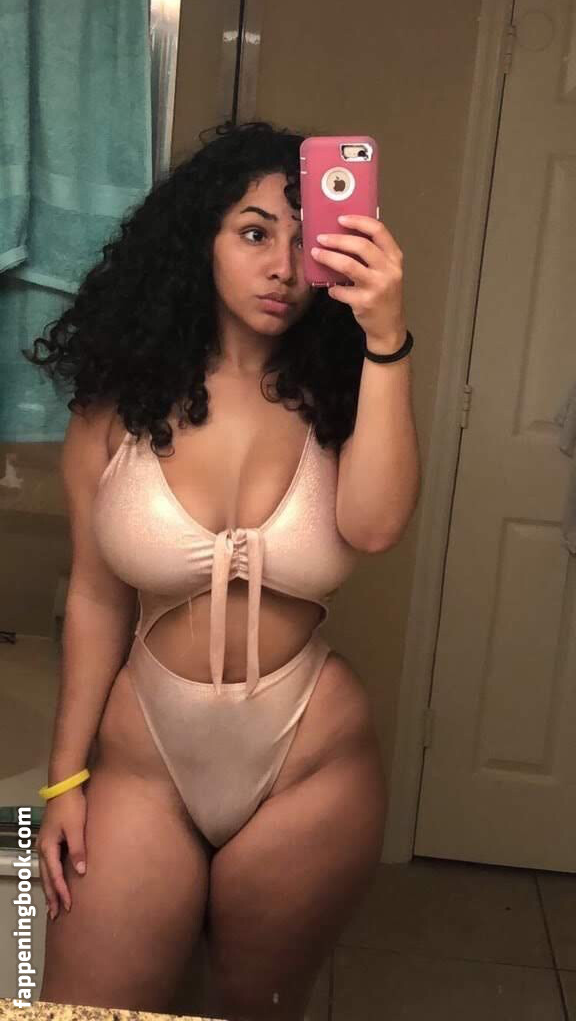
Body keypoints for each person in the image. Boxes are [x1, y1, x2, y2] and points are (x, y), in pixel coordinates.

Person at [26, 119, 419, 1020]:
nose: (282, 266)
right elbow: (94, 596)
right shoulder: (117, 404)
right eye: (253, 232)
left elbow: (375, 528)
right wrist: (64, 779)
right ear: (197, 241)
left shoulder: (345, 395)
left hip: (309, 765)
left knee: (252, 1008)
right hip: (144, 763)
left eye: (304, 240)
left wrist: (387, 340)